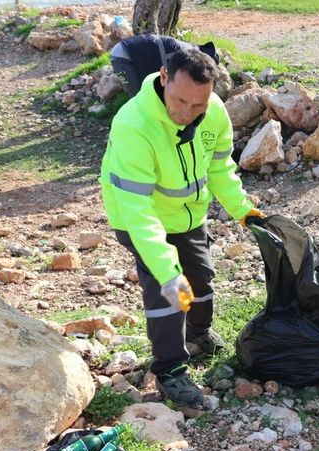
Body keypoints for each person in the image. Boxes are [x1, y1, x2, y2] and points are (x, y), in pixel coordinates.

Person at [99, 48, 264, 407]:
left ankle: (198, 335)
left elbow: (220, 169)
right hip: (139, 219)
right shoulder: (134, 125)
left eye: (198, 106)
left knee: (200, 279)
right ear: (163, 78)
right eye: (180, 101)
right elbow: (138, 210)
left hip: (188, 215)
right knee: (168, 292)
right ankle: (170, 369)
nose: (186, 113)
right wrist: (167, 271)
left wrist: (244, 211)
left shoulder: (214, 112)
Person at [110, 34, 219, 98]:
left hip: (120, 52)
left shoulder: (184, 47)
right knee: (138, 98)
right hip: (124, 57)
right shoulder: (185, 54)